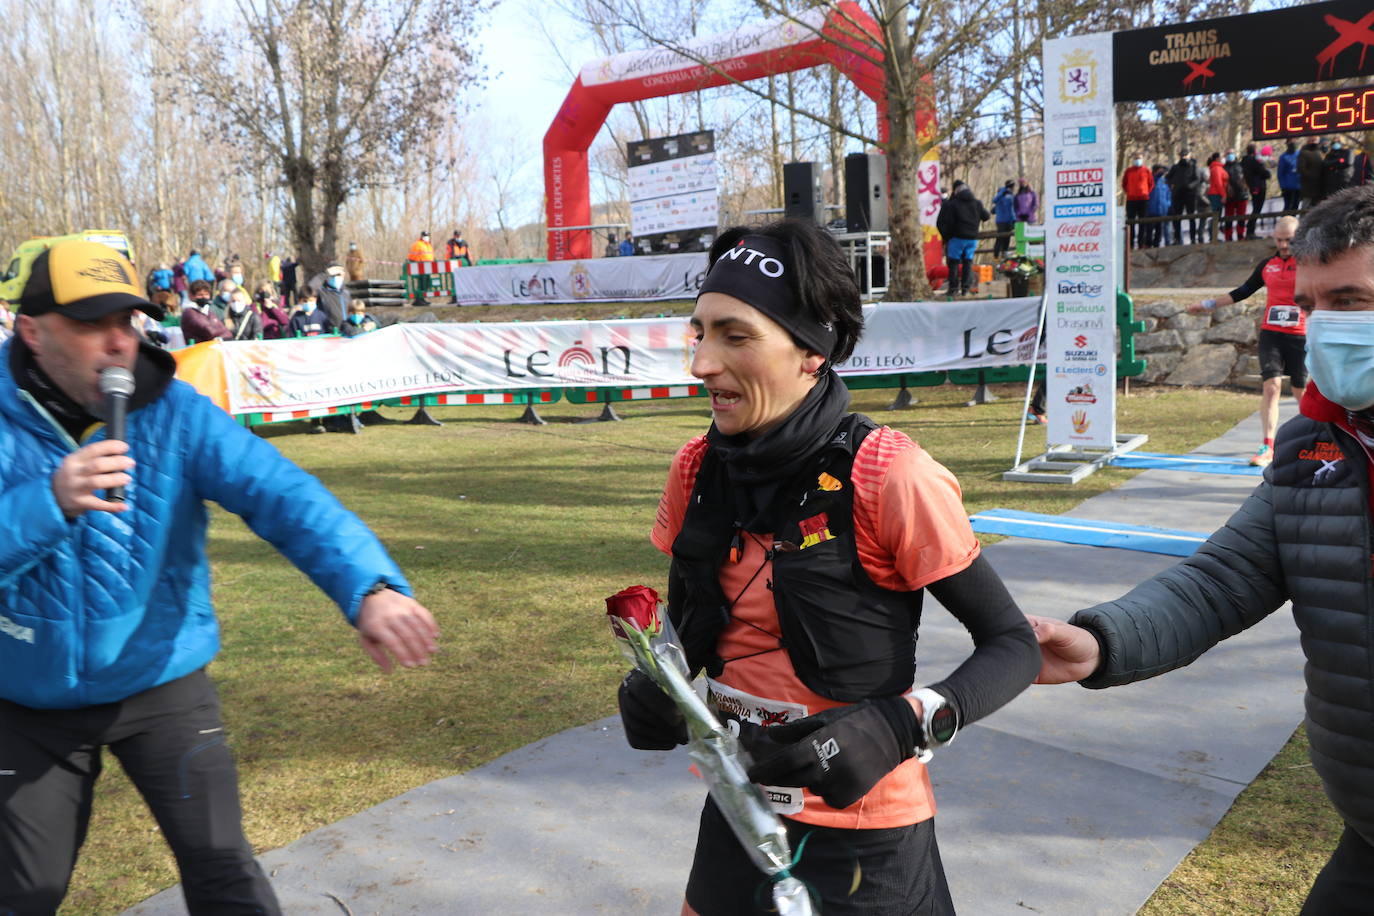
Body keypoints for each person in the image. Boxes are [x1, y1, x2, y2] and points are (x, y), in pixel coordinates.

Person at [0, 239, 439, 914]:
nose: (118, 342)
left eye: (128, 320)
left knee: (224, 873)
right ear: (31, 332)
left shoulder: (175, 413)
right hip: (29, 698)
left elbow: (285, 497)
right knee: (23, 892)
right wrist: (47, 502)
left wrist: (370, 588)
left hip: (161, 678)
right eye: (91, 325)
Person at [619, 218, 1039, 915]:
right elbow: (692, 629)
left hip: (867, 840)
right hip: (738, 813)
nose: (701, 363)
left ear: (812, 351)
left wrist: (901, 725)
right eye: (700, 332)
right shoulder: (695, 469)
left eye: (735, 335)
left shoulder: (889, 473)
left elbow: (1014, 646)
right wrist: (656, 685)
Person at [1030, 185, 1374, 916]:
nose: (1324, 329)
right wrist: (1098, 641)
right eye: (1312, 307)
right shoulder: (1311, 444)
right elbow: (1226, 576)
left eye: (1350, 300)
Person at [1188, 215, 1303, 466]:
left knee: (1299, 390)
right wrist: (1207, 305)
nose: (1284, 245)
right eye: (1280, 240)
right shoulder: (1267, 265)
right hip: (1272, 334)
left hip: (1300, 335)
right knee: (1271, 386)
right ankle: (1267, 446)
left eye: (1289, 241)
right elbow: (1242, 292)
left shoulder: (1310, 263)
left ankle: (1317, 440)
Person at [935, 179, 990, 297]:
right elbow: (986, 216)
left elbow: (947, 222)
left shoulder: (952, 204)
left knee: (954, 263)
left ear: (955, 191)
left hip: (957, 238)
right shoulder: (977, 203)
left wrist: (947, 236)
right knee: (968, 263)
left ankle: (953, 288)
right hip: (972, 239)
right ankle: (966, 288)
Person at [1166, 150, 1203, 245]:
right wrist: (1172, 186)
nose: (1184, 157)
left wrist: (1189, 186)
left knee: (1191, 216)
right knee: (1177, 217)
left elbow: (1198, 179)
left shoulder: (1193, 166)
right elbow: (1168, 178)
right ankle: (1177, 238)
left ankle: (1193, 238)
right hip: (1177, 195)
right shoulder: (1175, 167)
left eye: (1186, 155)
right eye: (1182, 155)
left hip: (1190, 195)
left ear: (1189, 155)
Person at [1122, 153, 1153, 248]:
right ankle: (1130, 244)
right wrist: (1130, 192)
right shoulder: (1128, 171)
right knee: (1130, 222)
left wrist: (1145, 193)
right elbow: (1124, 184)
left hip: (1143, 200)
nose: (1137, 160)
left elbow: (1151, 184)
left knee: (1142, 222)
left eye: (1139, 158)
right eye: (1135, 158)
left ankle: (1141, 243)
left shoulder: (1146, 171)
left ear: (1142, 159)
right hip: (1131, 200)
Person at [1241, 143, 1271, 238]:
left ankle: (1250, 230)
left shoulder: (1244, 161)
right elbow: (1262, 172)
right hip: (1259, 186)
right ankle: (1250, 230)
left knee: (1255, 207)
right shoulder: (1254, 161)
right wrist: (1267, 173)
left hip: (1252, 186)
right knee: (1257, 208)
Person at [1221, 150, 1250, 242]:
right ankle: (1228, 236)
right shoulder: (1223, 168)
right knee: (1228, 218)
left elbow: (1247, 178)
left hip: (1242, 195)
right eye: (1228, 154)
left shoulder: (1241, 166)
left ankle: (1240, 235)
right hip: (1230, 197)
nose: (1230, 155)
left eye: (1231, 153)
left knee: (1241, 217)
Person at [1145, 164, 1172, 247]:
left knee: (1159, 230)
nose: (1162, 172)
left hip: (1162, 210)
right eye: (1160, 170)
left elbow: (1168, 194)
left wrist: (1168, 204)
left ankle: (1157, 244)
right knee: (1149, 229)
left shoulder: (1164, 181)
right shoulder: (1150, 180)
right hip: (1151, 209)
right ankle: (1148, 244)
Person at [1205, 152, 1227, 241]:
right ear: (1217, 158)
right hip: (1216, 194)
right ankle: (1213, 236)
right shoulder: (1217, 169)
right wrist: (1223, 195)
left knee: (1217, 215)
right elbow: (1218, 183)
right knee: (1216, 215)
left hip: (1216, 194)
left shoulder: (1217, 168)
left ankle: (1214, 236)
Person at [992, 179, 1016, 257]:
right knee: (1000, 238)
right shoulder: (1001, 195)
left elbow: (1013, 208)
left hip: (1009, 220)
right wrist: (1003, 191)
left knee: (1007, 238)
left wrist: (1014, 219)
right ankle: (996, 255)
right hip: (1001, 220)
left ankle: (1004, 254)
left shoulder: (1011, 196)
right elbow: (994, 200)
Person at [1299, 139, 1326, 207]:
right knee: (1306, 204)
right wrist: (1312, 176)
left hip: (1320, 186)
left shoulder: (1320, 153)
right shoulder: (1304, 153)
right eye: (1313, 140)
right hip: (1309, 186)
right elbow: (1301, 168)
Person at [1277, 140, 1302, 213]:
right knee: (1288, 205)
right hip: (1288, 186)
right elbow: (1280, 173)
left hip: (1298, 185)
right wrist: (1283, 186)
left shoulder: (1299, 154)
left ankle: (1293, 220)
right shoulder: (1283, 157)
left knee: (1296, 205)